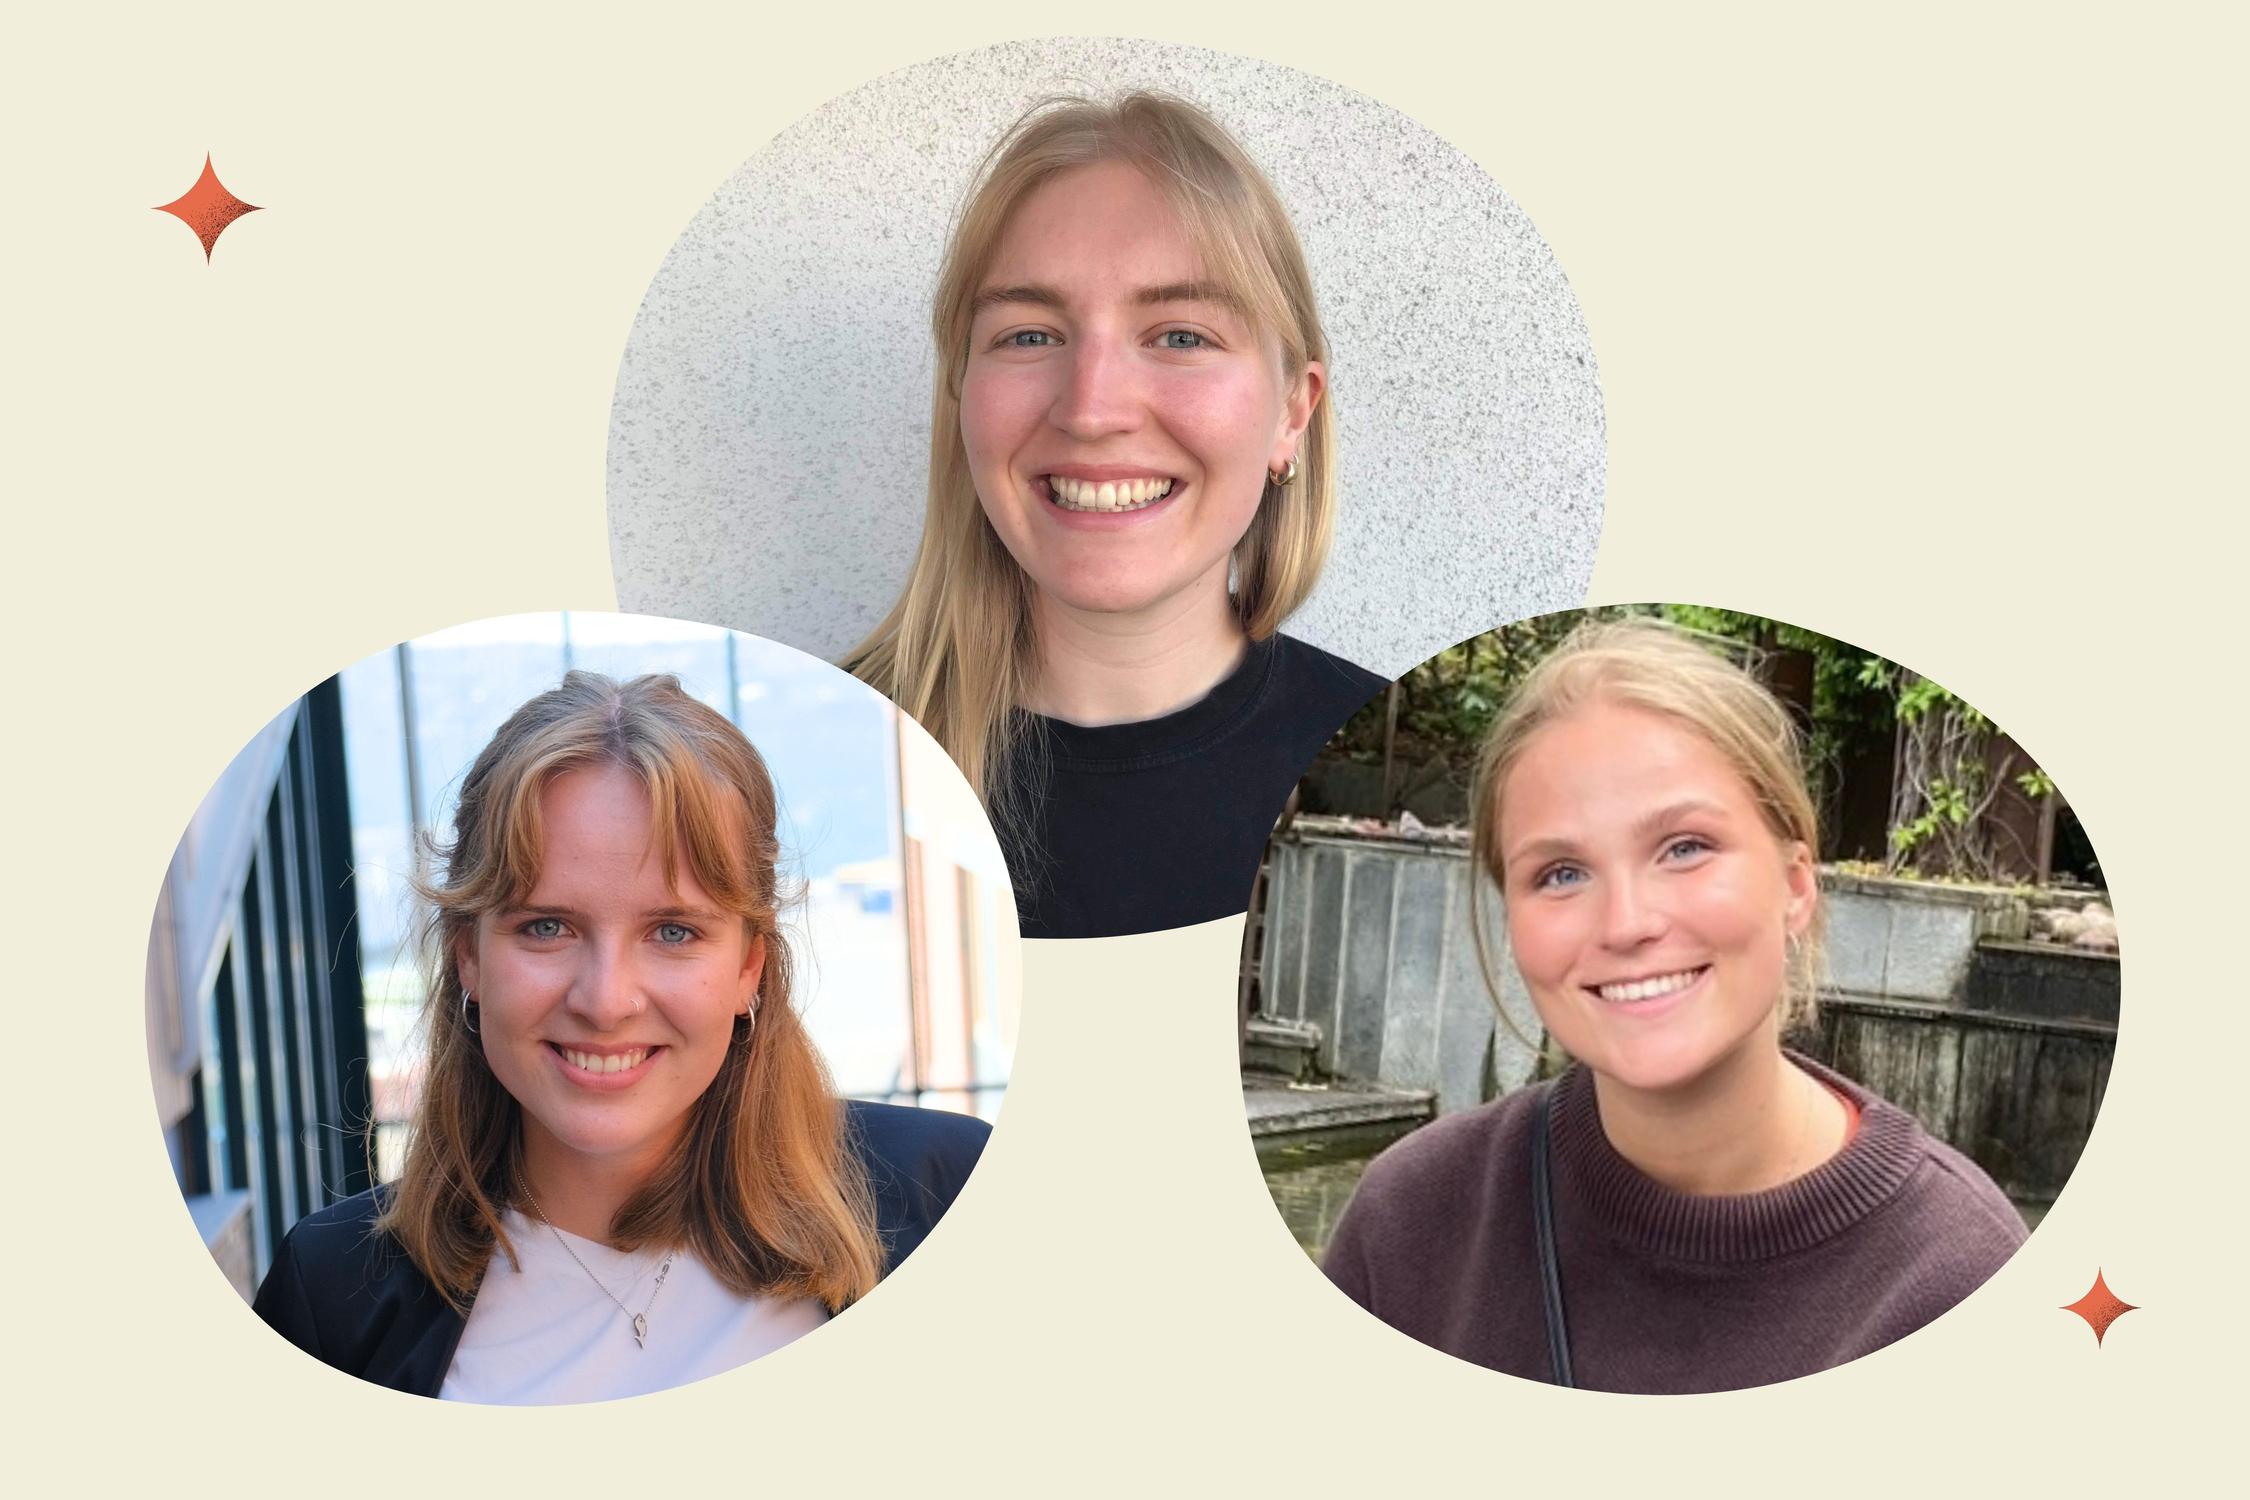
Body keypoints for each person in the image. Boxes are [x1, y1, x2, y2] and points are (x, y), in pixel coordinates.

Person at [1322, 621, 2027, 1393]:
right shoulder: (1412, 1225)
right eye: (1560, 873)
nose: (1627, 923)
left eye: (1685, 847)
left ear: (1795, 884)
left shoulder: (1959, 1277)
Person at [252, 672, 988, 1402]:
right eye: (547, 927)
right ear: (467, 955)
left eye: (673, 931)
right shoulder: (331, 1296)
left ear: (749, 967)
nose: (606, 1001)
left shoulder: (949, 1194)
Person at [845, 90, 1385, 939]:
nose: (1092, 410)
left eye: (1180, 336)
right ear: (962, 395)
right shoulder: (793, 765)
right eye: (1028, 335)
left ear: (1291, 412)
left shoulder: (1373, 780)